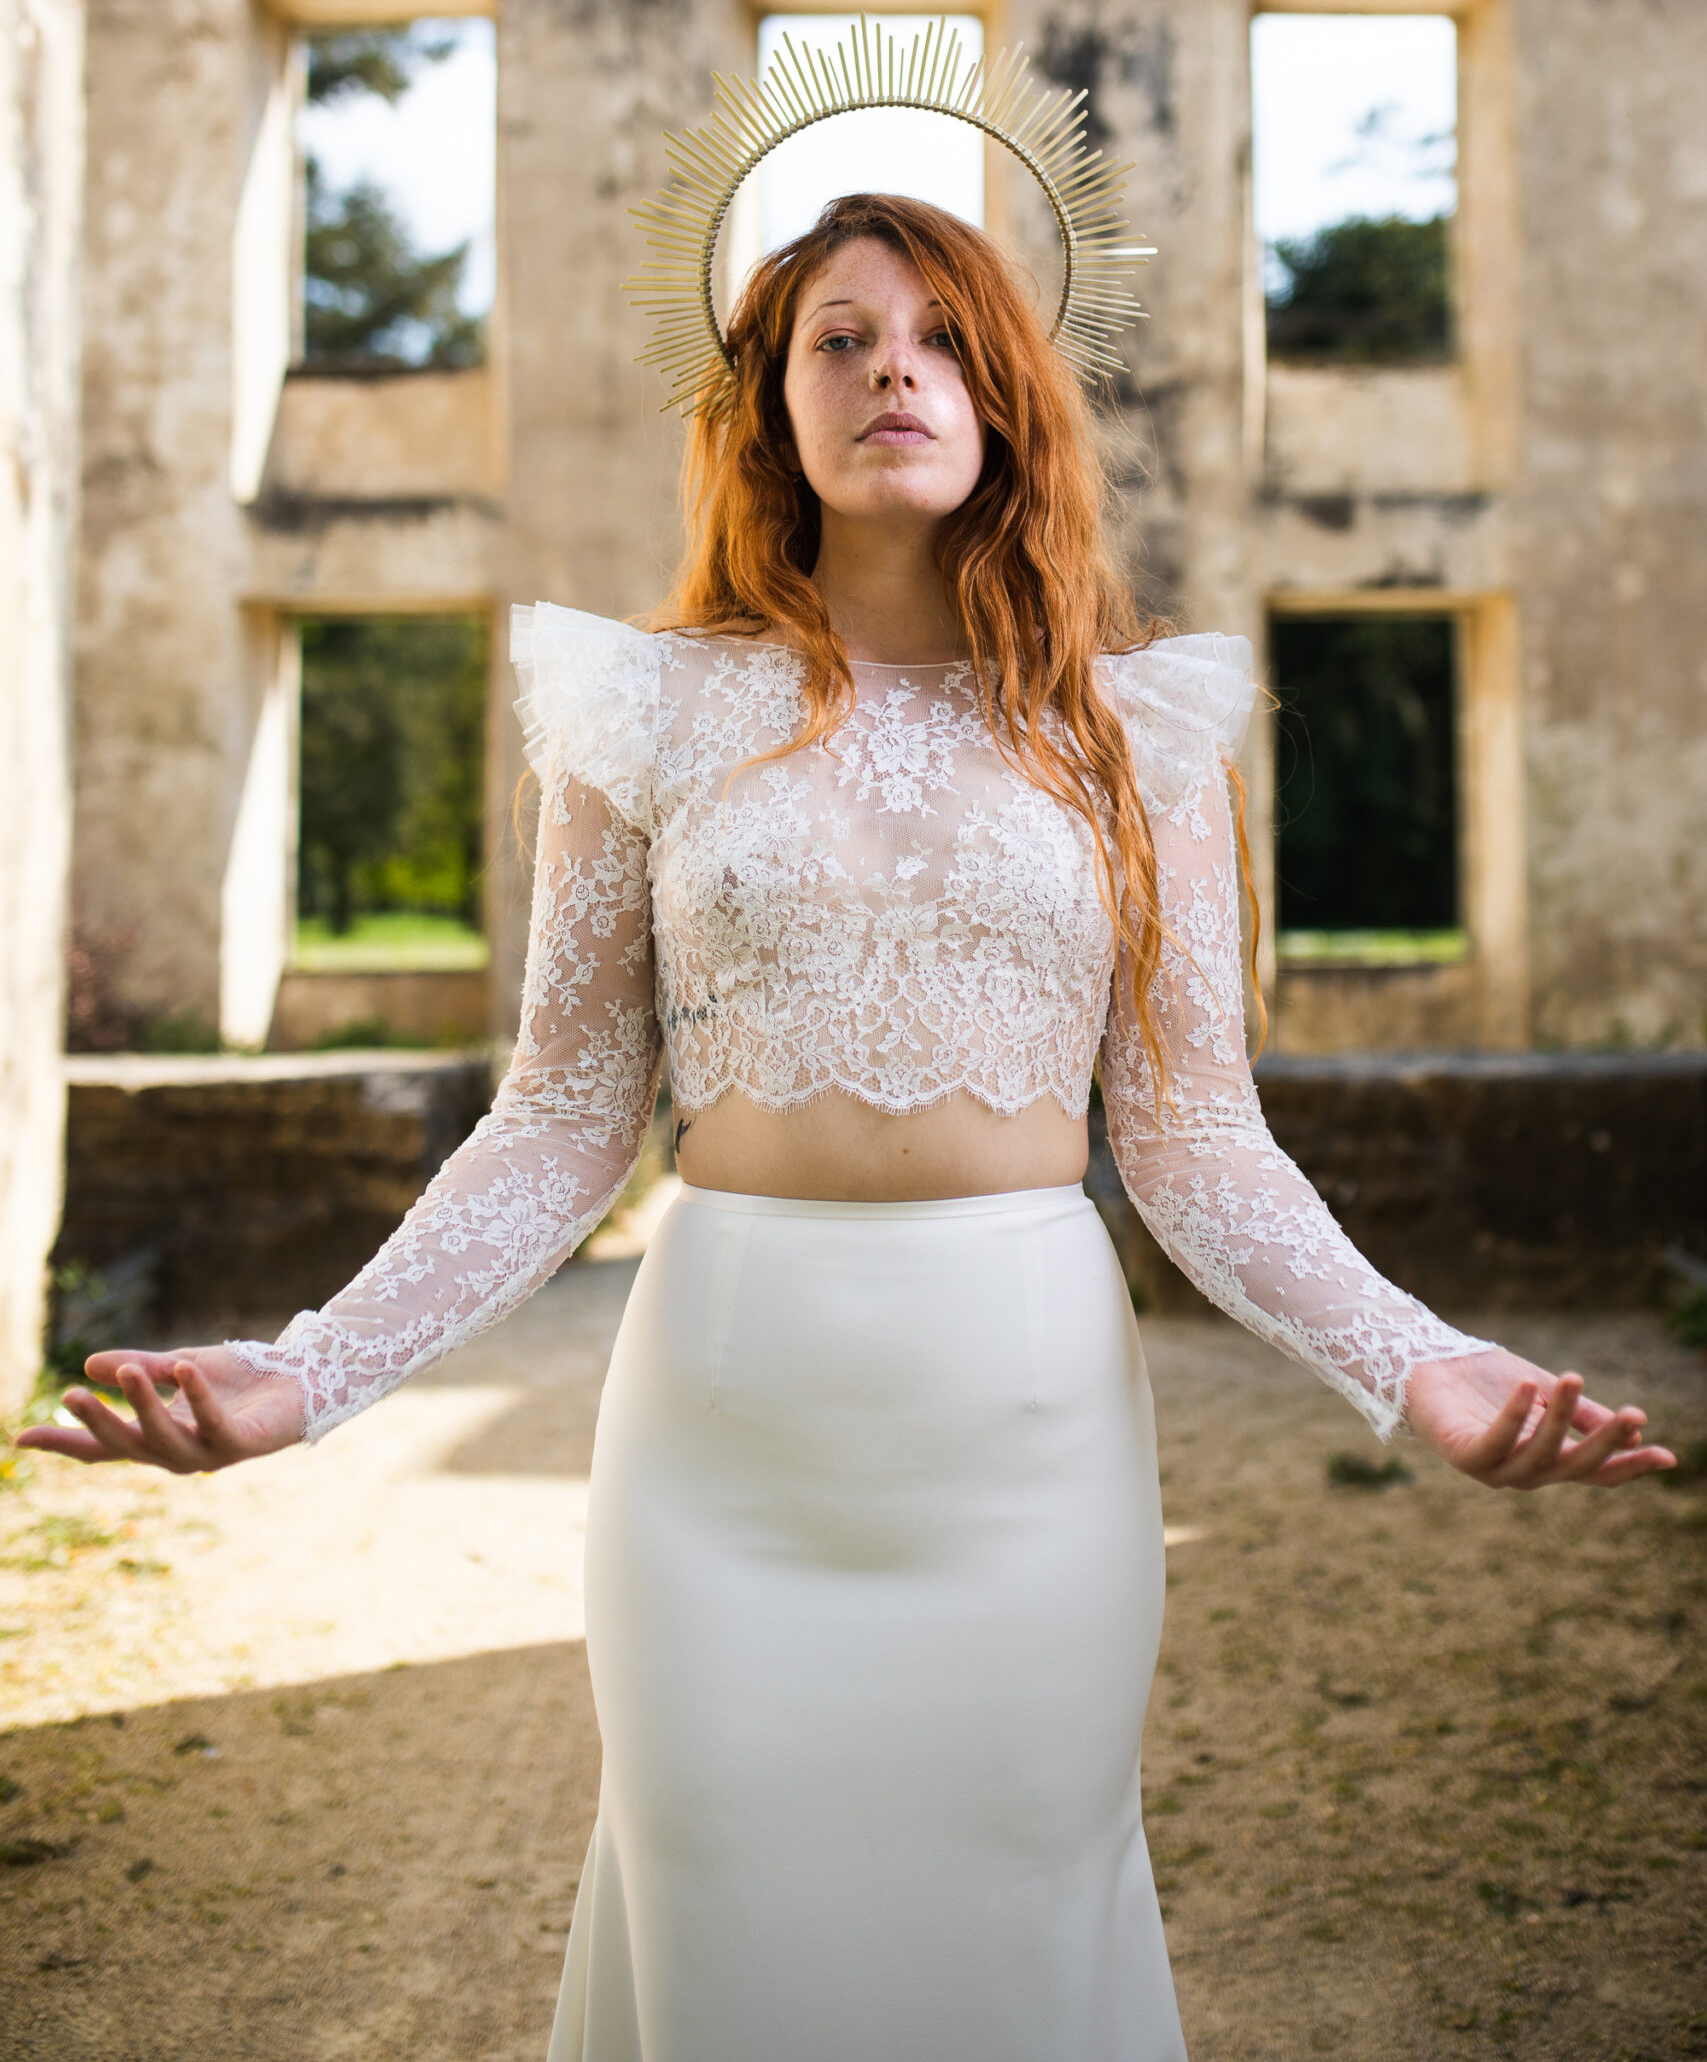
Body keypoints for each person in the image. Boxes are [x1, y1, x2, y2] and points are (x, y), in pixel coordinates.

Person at [21, 192, 1675, 2062]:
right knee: (732, 1937)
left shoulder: (1135, 738)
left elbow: (1200, 1137)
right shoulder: (640, 711)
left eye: (943, 334)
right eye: (838, 335)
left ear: (1007, 400)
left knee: (1018, 1939)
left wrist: (1421, 1368)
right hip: (727, 1432)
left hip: (1031, 1434)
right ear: (766, 406)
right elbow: (563, 1121)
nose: (895, 364)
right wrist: (303, 1377)